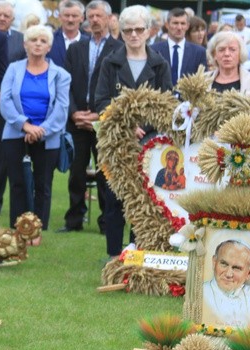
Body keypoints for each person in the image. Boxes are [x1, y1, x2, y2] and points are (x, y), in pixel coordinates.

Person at [94, 5, 173, 258]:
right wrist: (125, 124)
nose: (134, 35)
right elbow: (101, 101)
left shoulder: (160, 64)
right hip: (118, 142)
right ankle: (113, 255)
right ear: (121, 32)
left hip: (151, 143)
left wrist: (145, 126)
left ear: (148, 31)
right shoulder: (110, 62)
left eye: (139, 29)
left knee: (144, 199)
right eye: (128, 30)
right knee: (115, 199)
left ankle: (137, 251)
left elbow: (167, 103)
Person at [0, 25, 71, 242]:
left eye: (42, 40)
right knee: (18, 183)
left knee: (42, 184)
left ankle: (37, 231)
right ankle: (18, 229)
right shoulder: (13, 69)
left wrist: (41, 130)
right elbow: (5, 100)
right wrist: (25, 126)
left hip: (47, 137)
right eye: (33, 40)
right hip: (15, 134)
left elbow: (61, 108)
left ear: (49, 47)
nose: (38, 44)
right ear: (25, 44)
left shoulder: (61, 74)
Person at [59, 0, 120, 233]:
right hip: (77, 120)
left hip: (103, 122)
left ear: (108, 18)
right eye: (91, 16)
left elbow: (119, 88)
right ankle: (74, 219)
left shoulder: (119, 49)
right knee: (76, 173)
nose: (94, 20)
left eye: (98, 16)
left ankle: (107, 222)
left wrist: (99, 115)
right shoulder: (76, 48)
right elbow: (66, 83)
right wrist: (74, 112)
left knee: (106, 173)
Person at [0, 0, 26, 214]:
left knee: (1, 157)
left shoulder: (21, 41)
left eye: (7, 16)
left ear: (12, 19)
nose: (2, 18)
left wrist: (8, 93)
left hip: (7, 108)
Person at [202, 239, 250, 328]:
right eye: (224, 264)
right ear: (214, 262)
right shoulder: (201, 293)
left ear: (249, 273)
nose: (228, 274)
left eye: (236, 268)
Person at [151, 8, 207, 87]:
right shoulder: (154, 50)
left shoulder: (199, 52)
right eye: (175, 23)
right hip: (160, 98)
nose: (179, 27)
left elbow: (203, 82)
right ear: (167, 25)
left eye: (183, 23)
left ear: (187, 26)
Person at [206, 31, 250, 102]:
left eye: (232, 49)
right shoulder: (203, 81)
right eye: (221, 50)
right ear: (214, 55)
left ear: (240, 53)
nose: (227, 54)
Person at [46, 0, 87, 68]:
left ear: (82, 18)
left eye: (74, 16)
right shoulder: (49, 40)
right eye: (67, 15)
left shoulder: (89, 42)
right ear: (60, 17)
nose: (70, 20)